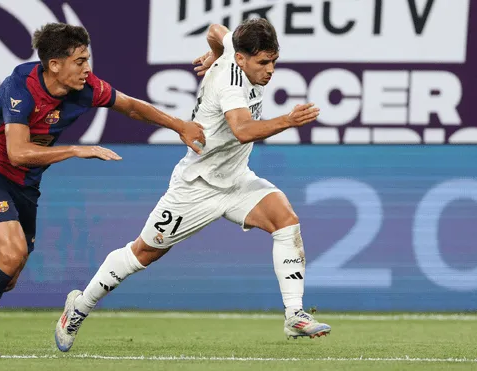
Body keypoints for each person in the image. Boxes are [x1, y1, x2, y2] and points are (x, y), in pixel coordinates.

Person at [0, 22, 205, 357]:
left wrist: (178, 125)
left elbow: (128, 105)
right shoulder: (21, 87)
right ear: (55, 64)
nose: (87, 68)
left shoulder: (87, 88)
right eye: (80, 60)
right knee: (11, 256)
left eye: (87, 60)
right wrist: (73, 150)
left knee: (5, 275)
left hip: (26, 186)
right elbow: (17, 152)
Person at [54, 18, 330, 353]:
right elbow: (242, 130)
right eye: (263, 63)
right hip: (197, 186)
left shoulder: (234, 48)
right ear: (241, 60)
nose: (270, 70)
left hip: (236, 179)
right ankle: (79, 307)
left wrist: (214, 52)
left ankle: (294, 315)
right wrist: (289, 119)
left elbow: (216, 29)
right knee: (144, 252)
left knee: (285, 220)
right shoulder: (230, 84)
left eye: (274, 61)